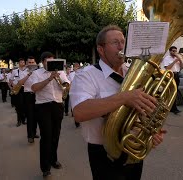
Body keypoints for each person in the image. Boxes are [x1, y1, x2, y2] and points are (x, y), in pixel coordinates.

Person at [70, 25, 166, 180]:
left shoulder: (133, 71)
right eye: (115, 43)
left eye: (123, 42)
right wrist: (124, 97)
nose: (122, 47)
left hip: (133, 146)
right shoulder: (86, 75)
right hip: (103, 154)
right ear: (101, 49)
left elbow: (144, 108)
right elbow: (80, 112)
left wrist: (151, 131)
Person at [30, 52, 70, 177]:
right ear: (43, 62)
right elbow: (34, 88)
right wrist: (49, 78)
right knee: (46, 136)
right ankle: (45, 167)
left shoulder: (61, 72)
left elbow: (67, 85)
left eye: (53, 61)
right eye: (49, 61)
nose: (51, 64)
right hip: (43, 106)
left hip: (57, 105)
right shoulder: (37, 73)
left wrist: (65, 85)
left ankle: (53, 159)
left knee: (55, 135)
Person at [17, 56, 39, 143]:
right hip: (28, 95)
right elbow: (20, 83)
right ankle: (30, 136)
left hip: (38, 95)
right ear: (26, 63)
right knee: (30, 115)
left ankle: (34, 132)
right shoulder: (23, 72)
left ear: (35, 63)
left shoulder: (38, 72)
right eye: (29, 62)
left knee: (36, 116)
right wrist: (29, 74)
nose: (31, 64)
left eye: (32, 62)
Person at [162, 46, 183, 114]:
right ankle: (172, 108)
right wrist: (174, 61)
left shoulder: (177, 58)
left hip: (177, 75)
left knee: (175, 91)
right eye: (173, 51)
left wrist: (180, 60)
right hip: (170, 75)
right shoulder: (167, 58)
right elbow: (167, 68)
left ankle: (173, 107)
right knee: (171, 92)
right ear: (170, 51)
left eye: (175, 51)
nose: (175, 52)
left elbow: (182, 67)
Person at [10, 58, 27, 127]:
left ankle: (23, 119)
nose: (22, 63)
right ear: (18, 63)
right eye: (21, 62)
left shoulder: (27, 71)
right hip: (18, 88)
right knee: (18, 105)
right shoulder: (15, 71)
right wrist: (13, 85)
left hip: (25, 88)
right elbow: (11, 80)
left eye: (23, 62)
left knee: (24, 105)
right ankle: (19, 120)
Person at [68, 62, 81, 128]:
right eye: (75, 67)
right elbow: (69, 83)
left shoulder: (82, 73)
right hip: (73, 92)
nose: (76, 68)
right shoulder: (71, 74)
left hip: (81, 92)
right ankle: (76, 121)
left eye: (77, 67)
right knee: (74, 106)